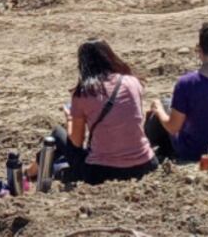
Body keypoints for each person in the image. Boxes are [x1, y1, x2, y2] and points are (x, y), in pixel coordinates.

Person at [48, 40, 158, 185]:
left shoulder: (83, 94)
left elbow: (76, 142)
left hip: (103, 172)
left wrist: (69, 119)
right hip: (146, 164)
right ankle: (35, 170)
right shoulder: (133, 82)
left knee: (56, 134)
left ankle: (30, 173)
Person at [145, 18, 208, 161]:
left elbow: (172, 127)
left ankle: (148, 148)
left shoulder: (187, 83)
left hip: (194, 152)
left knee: (162, 104)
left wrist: (158, 110)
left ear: (200, 50)